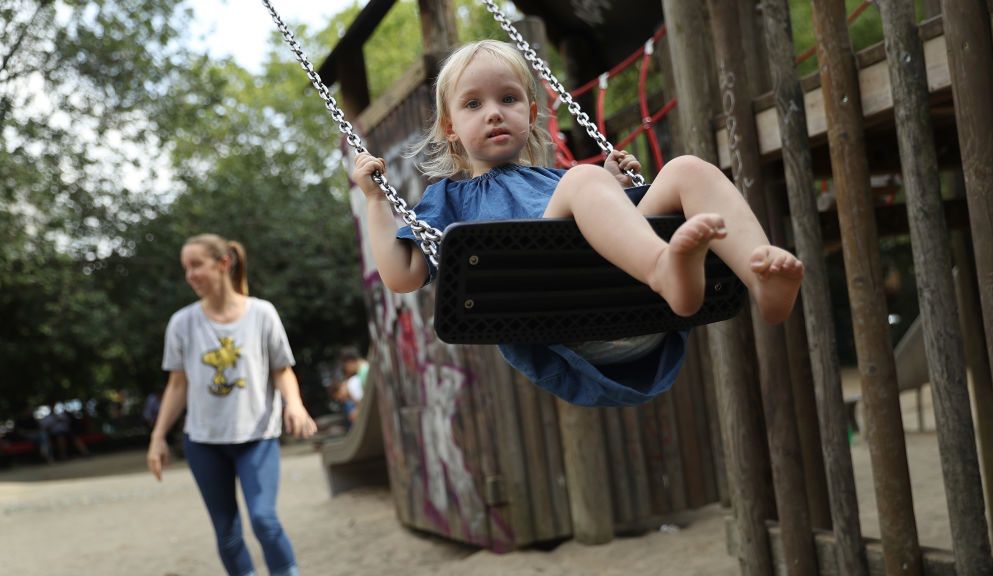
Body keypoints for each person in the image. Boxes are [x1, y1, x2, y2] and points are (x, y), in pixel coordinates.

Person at [353, 40, 804, 407]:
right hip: (571, 323)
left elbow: (590, 207)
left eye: (508, 99)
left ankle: (761, 282)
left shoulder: (562, 181)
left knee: (688, 168)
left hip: (631, 303)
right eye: (473, 104)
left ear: (531, 116)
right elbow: (401, 275)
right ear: (450, 127)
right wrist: (376, 201)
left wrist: (611, 186)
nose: (494, 111)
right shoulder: (447, 198)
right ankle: (665, 268)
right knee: (583, 178)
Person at [147, 233, 317, 576]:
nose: (190, 275)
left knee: (264, 520)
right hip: (204, 442)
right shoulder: (182, 323)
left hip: (256, 436)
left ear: (223, 263)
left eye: (196, 265)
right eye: (185, 268)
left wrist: (294, 405)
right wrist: (158, 437)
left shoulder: (262, 314)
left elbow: (282, 370)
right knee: (227, 534)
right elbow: (177, 385)